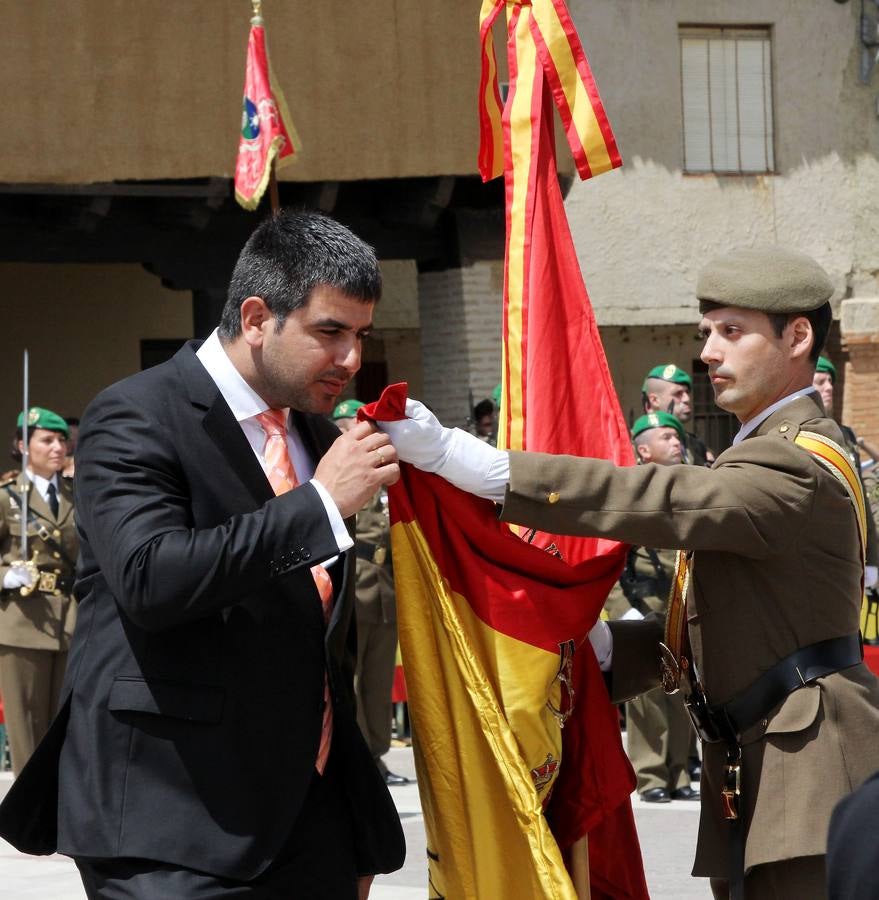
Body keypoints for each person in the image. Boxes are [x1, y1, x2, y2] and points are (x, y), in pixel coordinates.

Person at [379, 246, 879, 899]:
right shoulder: (760, 453)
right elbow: (745, 619)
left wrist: (486, 468)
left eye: (731, 331)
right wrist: (610, 649)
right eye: (706, 333)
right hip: (760, 759)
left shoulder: (798, 463)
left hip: (807, 773)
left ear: (797, 336)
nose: (708, 354)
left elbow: (668, 501)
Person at [0, 211, 406, 899]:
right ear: (255, 318)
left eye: (360, 337)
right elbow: (151, 578)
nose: (351, 360)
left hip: (308, 818)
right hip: (171, 817)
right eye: (329, 332)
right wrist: (316, 505)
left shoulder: (314, 431)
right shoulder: (135, 413)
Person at [606, 412, 698, 804]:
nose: (676, 441)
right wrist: (620, 608)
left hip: (679, 600)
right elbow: (608, 560)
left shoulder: (688, 487)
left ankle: (679, 773)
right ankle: (651, 774)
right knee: (647, 697)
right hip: (641, 603)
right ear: (643, 450)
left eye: (676, 436)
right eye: (665, 436)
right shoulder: (629, 493)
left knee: (684, 694)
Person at [332, 398, 411, 787]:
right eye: (350, 426)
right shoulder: (340, 470)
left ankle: (377, 757)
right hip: (356, 585)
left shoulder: (383, 473)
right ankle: (357, 758)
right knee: (354, 679)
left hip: (384, 590)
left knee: (379, 683)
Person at [0, 407, 76, 775]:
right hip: (24, 621)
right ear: (22, 445)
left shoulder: (76, 496)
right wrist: (4, 576)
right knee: (26, 726)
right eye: (47, 440)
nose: (58, 446)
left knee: (64, 725)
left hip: (69, 623)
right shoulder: (7, 496)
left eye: (61, 439)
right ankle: (25, 818)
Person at [642, 363, 713, 465]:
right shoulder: (632, 444)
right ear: (654, 400)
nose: (687, 399)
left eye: (687, 392)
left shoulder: (695, 445)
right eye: (678, 394)